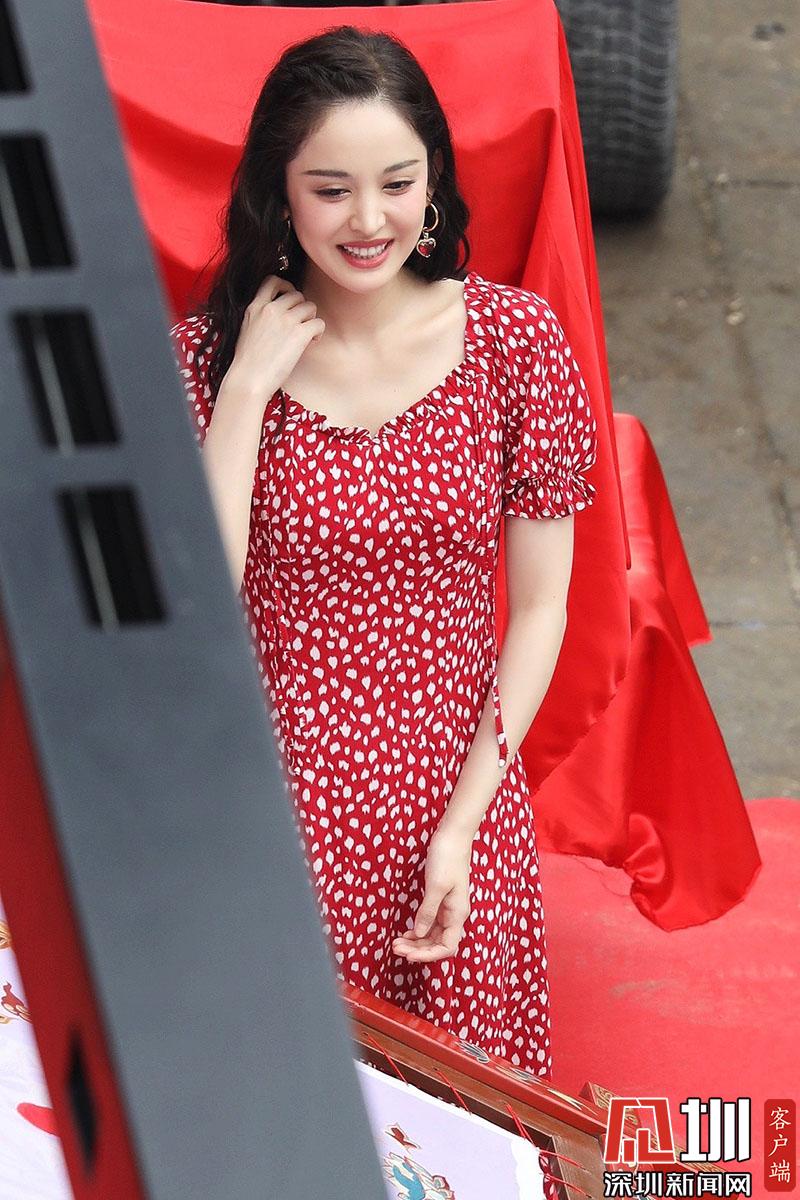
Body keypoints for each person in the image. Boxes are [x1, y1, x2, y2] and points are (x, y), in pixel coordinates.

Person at [170, 25, 597, 1084]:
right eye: (330, 190)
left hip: (456, 796)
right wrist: (245, 390)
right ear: (279, 195)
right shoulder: (205, 360)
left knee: (459, 1127)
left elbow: (541, 608)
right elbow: (196, 609)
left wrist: (466, 822)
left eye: (397, 184)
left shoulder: (515, 343)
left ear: (433, 182)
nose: (369, 221)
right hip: (272, 815)